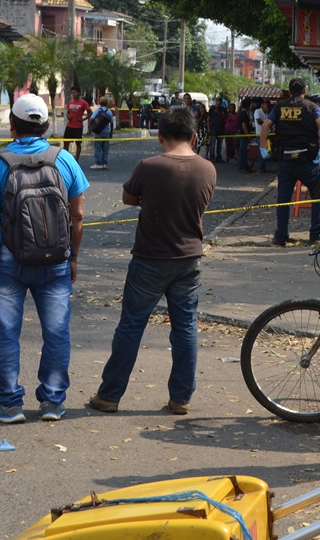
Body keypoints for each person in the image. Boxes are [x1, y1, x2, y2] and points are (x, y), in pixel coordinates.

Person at [88, 107, 216, 416]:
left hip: (149, 258)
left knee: (131, 326)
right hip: (189, 259)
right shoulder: (207, 169)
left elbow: (129, 198)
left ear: (160, 137)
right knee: (185, 327)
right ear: (195, 136)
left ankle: (109, 396)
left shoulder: (149, 166)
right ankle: (181, 398)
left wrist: (152, 198)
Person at [0, 94, 88, 423]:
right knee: (57, 332)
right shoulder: (64, 160)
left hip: (7, 260)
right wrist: (74, 256)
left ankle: (9, 403)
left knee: (6, 333)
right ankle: (52, 402)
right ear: (47, 126)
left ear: (12, 125)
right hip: (56, 261)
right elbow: (77, 216)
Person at [260, 78, 320, 246]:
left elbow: (266, 125)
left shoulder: (279, 107)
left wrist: (263, 148)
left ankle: (281, 236)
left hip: (285, 159)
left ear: (289, 92)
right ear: (305, 91)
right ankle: (316, 234)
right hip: (308, 160)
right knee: (318, 196)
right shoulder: (312, 107)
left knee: (283, 199)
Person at [63, 86, 91, 161]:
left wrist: (83, 119)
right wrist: (68, 116)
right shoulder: (70, 102)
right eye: (72, 93)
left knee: (78, 143)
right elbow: (68, 112)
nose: (73, 94)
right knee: (66, 142)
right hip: (69, 126)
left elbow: (90, 113)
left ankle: (76, 160)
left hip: (78, 127)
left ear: (79, 93)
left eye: (75, 92)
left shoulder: (83, 103)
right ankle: (65, 159)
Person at [89, 96, 113, 171]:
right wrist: (111, 132)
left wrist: (91, 126)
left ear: (100, 103)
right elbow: (111, 123)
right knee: (105, 148)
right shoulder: (109, 112)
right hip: (106, 132)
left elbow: (91, 118)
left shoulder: (98, 111)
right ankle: (104, 163)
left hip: (98, 132)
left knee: (98, 147)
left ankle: (98, 163)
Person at [253, 98, 272, 172]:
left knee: (266, 151)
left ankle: (263, 166)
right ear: (263, 105)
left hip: (266, 134)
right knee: (261, 151)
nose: (267, 106)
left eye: (268, 105)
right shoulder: (257, 111)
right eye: (266, 105)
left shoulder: (267, 114)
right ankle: (261, 167)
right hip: (260, 135)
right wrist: (267, 124)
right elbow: (259, 121)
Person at [237, 99, 254, 172]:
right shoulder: (244, 114)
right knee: (243, 151)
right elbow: (244, 126)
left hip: (242, 135)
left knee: (243, 151)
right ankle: (242, 166)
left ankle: (244, 165)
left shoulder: (241, 113)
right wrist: (248, 135)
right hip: (244, 135)